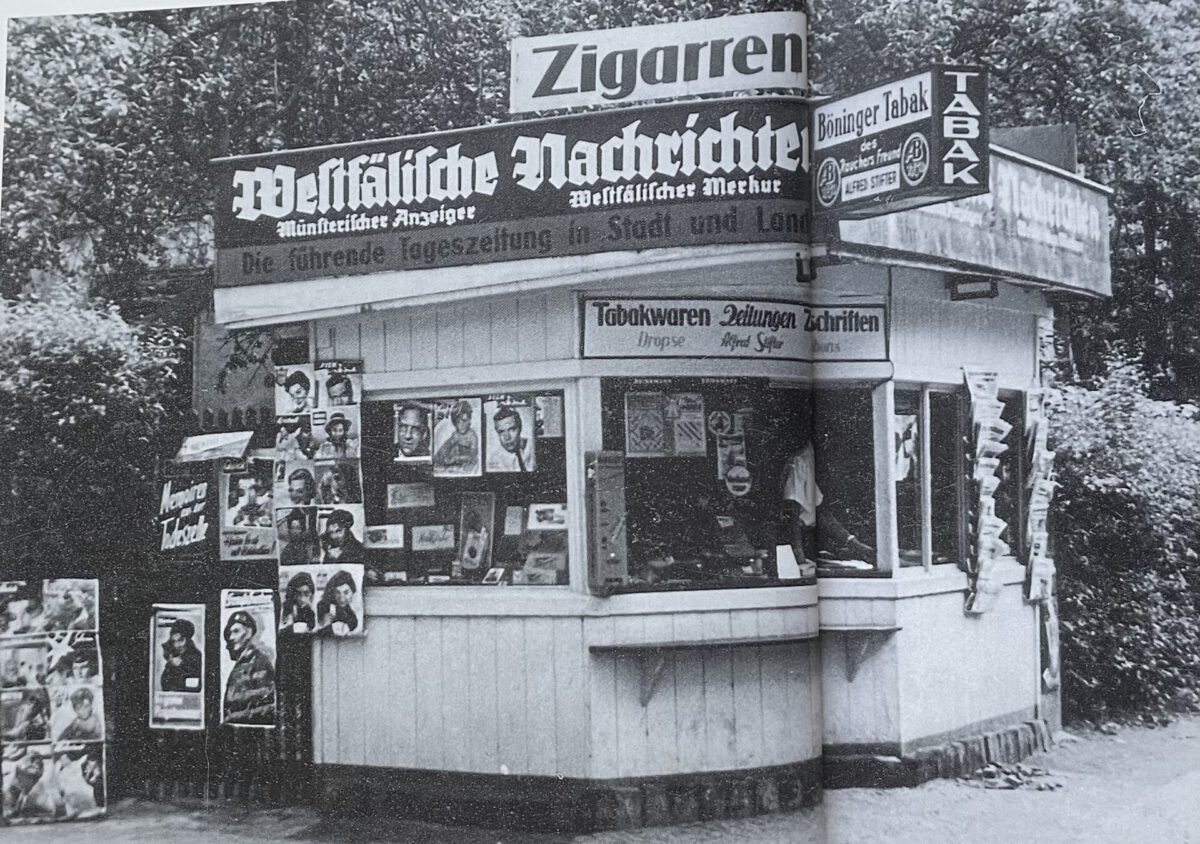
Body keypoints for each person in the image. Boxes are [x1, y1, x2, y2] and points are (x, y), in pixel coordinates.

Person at [222, 610, 275, 725]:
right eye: (230, 633)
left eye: (236, 631)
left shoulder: (260, 661)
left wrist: (235, 717)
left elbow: (268, 705)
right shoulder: (241, 662)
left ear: (249, 633)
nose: (231, 637)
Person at [433, 399, 480, 474]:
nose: (460, 425)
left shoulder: (472, 436)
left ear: (469, 420)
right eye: (457, 422)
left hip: (467, 462)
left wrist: (456, 458)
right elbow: (446, 445)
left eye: (464, 420)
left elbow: (473, 455)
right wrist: (441, 455)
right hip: (455, 461)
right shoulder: (456, 435)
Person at [160, 618, 203, 693]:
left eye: (181, 640)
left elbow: (195, 685)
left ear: (188, 639)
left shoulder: (196, 657)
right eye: (174, 641)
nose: (177, 645)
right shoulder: (172, 658)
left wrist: (182, 665)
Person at [490, 405, 534, 472]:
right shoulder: (494, 459)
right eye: (501, 432)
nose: (507, 437)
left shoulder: (533, 448)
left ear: (520, 428)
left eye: (512, 429)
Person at [316, 570, 358, 635]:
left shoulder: (348, 608)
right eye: (338, 592)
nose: (342, 598)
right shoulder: (324, 606)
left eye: (346, 592)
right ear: (333, 593)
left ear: (352, 592)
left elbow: (353, 623)